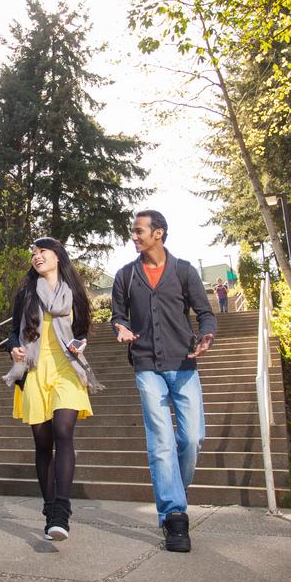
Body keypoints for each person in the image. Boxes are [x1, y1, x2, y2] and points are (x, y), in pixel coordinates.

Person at [110, 210, 217, 553]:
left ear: (158, 233)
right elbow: (117, 315)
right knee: (161, 441)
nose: (134, 236)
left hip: (184, 365)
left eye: (139, 231)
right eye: (133, 231)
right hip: (145, 365)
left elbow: (205, 313)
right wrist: (120, 327)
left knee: (192, 438)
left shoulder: (184, 271)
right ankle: (174, 515)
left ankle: (175, 492)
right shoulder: (125, 276)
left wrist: (206, 335)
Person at [1, 237, 104, 541]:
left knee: (63, 431)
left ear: (58, 256)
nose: (36, 256)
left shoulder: (74, 293)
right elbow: (12, 333)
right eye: (33, 252)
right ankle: (49, 508)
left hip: (67, 369)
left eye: (42, 251)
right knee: (43, 443)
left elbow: (83, 329)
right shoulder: (26, 293)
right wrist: (14, 349)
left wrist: (81, 341)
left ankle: (61, 510)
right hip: (33, 369)